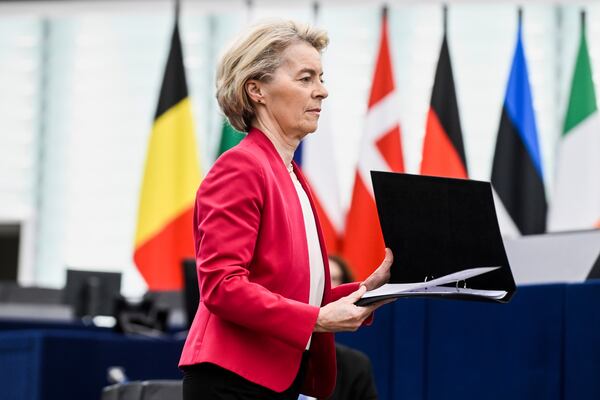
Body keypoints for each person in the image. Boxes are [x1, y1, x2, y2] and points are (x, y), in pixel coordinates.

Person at [179, 20, 393, 400]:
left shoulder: (291, 174)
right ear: (256, 89)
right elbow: (221, 286)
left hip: (276, 379)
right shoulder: (240, 167)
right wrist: (316, 320)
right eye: (306, 78)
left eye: (321, 78)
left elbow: (295, 292)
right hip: (233, 381)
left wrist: (369, 288)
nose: (322, 91)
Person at [327, 256, 378, 400]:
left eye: (333, 278)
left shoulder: (356, 366)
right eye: (322, 277)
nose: (327, 285)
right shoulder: (274, 358)